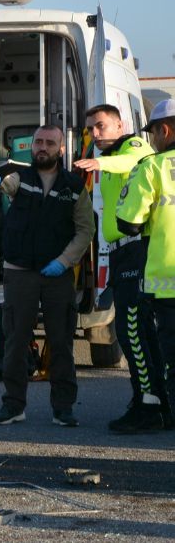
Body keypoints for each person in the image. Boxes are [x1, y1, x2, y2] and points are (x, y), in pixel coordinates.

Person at [0, 125, 94, 427]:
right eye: (38, 142)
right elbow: (6, 185)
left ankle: (63, 407)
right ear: (31, 146)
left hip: (57, 275)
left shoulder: (74, 186)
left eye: (50, 143)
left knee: (61, 342)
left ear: (61, 149)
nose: (42, 148)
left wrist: (64, 262)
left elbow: (85, 230)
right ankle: (13, 405)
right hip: (19, 273)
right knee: (15, 339)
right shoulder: (20, 179)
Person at [73, 104, 163, 433]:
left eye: (101, 127)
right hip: (121, 252)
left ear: (119, 125)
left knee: (132, 332)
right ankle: (154, 400)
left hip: (136, 251)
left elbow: (135, 159)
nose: (95, 134)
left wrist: (100, 162)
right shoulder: (111, 156)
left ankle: (147, 404)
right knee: (139, 332)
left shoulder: (131, 146)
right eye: (91, 129)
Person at [116, 98, 175, 431]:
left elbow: (128, 222)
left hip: (168, 284)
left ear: (164, 130)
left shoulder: (152, 167)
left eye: (153, 134)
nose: (152, 140)